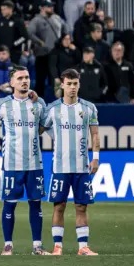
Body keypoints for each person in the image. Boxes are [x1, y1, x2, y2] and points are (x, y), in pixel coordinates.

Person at [0, 65, 49, 256]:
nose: (25, 81)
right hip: (12, 164)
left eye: (27, 77)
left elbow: (44, 126)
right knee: (10, 204)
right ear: (12, 82)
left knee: (36, 203)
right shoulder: (3, 104)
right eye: (20, 78)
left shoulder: (39, 104)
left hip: (35, 163)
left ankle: (37, 246)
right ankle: (8, 245)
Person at [41, 68, 101, 256]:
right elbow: (40, 129)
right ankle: (57, 246)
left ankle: (83, 247)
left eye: (75, 84)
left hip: (82, 167)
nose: (73, 87)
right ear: (62, 85)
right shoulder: (52, 109)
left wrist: (96, 158)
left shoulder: (89, 108)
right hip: (60, 167)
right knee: (59, 206)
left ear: (79, 84)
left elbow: (95, 134)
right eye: (69, 84)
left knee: (81, 206)